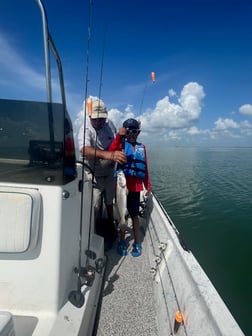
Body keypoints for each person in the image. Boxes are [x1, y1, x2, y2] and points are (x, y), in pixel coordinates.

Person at [78, 97, 126, 249]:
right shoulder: (85, 128)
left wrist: (121, 137)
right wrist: (109, 155)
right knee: (95, 204)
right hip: (94, 174)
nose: (99, 122)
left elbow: (115, 142)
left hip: (110, 173)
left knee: (110, 201)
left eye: (102, 119)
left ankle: (113, 223)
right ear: (90, 116)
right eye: (96, 119)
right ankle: (93, 230)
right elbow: (84, 149)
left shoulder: (109, 124)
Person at [109, 118, 151, 257]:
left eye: (135, 132)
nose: (132, 135)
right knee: (123, 214)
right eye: (129, 132)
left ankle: (137, 242)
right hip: (122, 187)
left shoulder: (142, 147)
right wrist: (119, 136)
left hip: (136, 187)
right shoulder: (121, 144)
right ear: (125, 132)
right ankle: (122, 240)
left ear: (138, 132)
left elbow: (145, 168)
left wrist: (147, 185)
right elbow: (111, 150)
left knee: (134, 215)